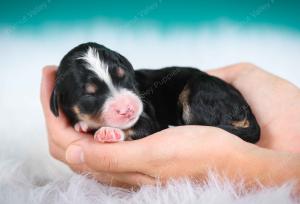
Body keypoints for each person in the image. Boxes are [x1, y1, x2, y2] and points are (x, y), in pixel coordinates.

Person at [40, 63, 300, 192]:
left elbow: (143, 127)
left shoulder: (142, 103)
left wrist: (242, 162)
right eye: (92, 97)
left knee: (195, 100)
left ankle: (227, 129)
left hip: (198, 89)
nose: (122, 105)